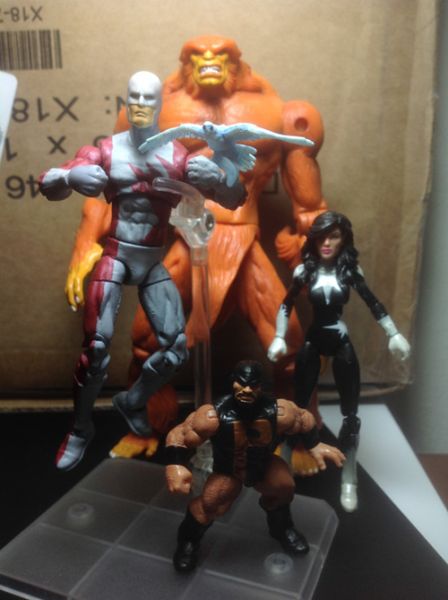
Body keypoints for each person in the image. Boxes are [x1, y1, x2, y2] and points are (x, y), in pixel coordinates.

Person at [63, 36, 328, 466]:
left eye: (219, 55)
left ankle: (298, 437)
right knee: (144, 340)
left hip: (242, 237)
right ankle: (148, 427)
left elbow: (310, 206)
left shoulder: (280, 112)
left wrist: (315, 252)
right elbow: (110, 183)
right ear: (185, 64)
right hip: (186, 239)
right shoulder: (158, 110)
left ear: (236, 63)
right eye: (198, 56)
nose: (209, 61)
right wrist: (85, 244)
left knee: (290, 343)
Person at [39, 71, 246, 470]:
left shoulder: (178, 157)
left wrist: (220, 179)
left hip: (152, 261)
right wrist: (69, 175)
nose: (139, 104)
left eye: (148, 98)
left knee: (176, 349)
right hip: (116, 255)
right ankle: (80, 428)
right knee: (95, 350)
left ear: (158, 105)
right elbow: (48, 182)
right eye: (133, 96)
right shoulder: (108, 150)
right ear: (126, 99)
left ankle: (132, 400)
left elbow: (235, 199)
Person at [268, 211, 410, 512]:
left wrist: (393, 333)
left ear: (344, 238)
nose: (327, 243)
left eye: (334, 236)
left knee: (350, 414)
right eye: (322, 236)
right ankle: (283, 466)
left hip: (340, 339)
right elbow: (286, 303)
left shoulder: (350, 271)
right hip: (313, 340)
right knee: (297, 408)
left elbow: (373, 302)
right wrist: (279, 337)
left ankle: (348, 478)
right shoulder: (304, 271)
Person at [165, 360, 345, 572]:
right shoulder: (213, 416)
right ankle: (187, 542)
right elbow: (180, 434)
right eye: (241, 384)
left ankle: (281, 528)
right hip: (229, 470)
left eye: (253, 385)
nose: (247, 390)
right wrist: (175, 465)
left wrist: (314, 444)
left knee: (284, 486)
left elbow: (303, 418)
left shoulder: (278, 412)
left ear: (261, 386)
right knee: (210, 504)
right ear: (233, 383)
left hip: (264, 463)